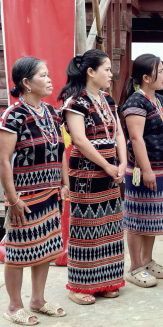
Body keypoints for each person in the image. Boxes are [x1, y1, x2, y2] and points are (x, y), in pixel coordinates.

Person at [0, 57, 68, 325]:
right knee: (18, 251)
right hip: (23, 197)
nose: (50, 79)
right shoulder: (12, 115)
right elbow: (3, 160)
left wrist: (64, 182)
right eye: (43, 75)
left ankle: (38, 300)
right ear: (26, 83)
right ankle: (15, 306)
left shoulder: (52, 113)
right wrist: (12, 199)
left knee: (46, 247)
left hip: (50, 194)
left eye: (49, 74)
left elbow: (60, 150)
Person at [59, 49, 128, 304]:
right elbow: (79, 140)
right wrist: (107, 166)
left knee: (109, 224)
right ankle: (79, 285)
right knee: (87, 226)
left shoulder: (108, 100)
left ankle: (106, 280)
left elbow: (119, 134)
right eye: (107, 69)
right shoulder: (75, 101)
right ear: (91, 72)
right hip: (86, 173)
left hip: (111, 171)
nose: (111, 74)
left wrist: (122, 162)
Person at [119, 54, 163, 288]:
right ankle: (134, 266)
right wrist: (146, 170)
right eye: (161, 71)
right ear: (146, 77)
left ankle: (147, 261)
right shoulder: (136, 102)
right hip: (143, 171)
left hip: (162, 168)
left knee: (152, 219)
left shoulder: (160, 101)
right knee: (137, 219)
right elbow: (136, 138)